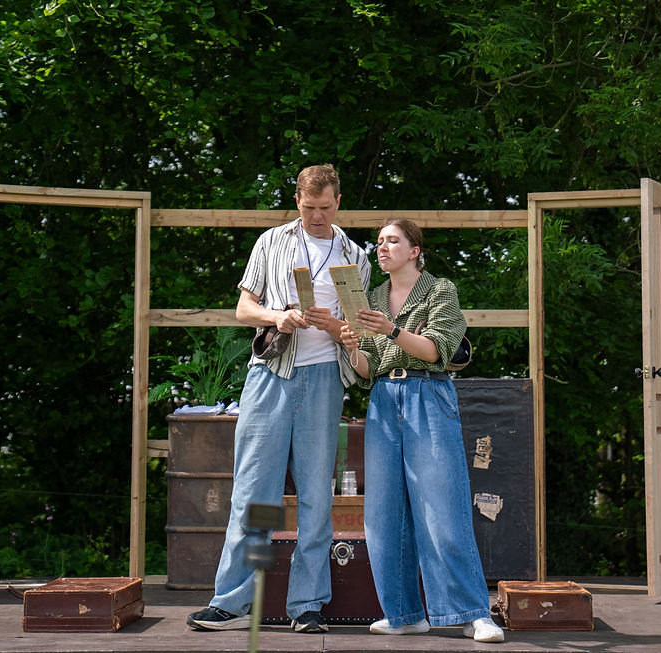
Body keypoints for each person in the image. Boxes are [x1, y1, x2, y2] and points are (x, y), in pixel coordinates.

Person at [186, 165, 372, 633]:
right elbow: (243, 309)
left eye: (325, 208)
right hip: (270, 375)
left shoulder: (356, 256)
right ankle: (233, 602)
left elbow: (360, 330)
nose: (316, 216)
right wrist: (278, 316)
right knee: (256, 495)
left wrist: (338, 328)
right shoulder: (270, 242)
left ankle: (307, 605)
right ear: (297, 201)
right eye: (308, 208)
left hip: (326, 380)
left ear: (338, 201)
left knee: (315, 497)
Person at [340, 218, 505, 643]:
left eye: (392, 240)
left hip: (427, 395)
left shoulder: (439, 290)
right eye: (379, 241)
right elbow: (367, 370)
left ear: (414, 250)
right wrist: (351, 345)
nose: (382, 247)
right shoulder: (372, 296)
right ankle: (404, 613)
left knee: (442, 507)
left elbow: (437, 350)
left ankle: (474, 613)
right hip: (382, 399)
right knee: (383, 514)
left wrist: (391, 329)